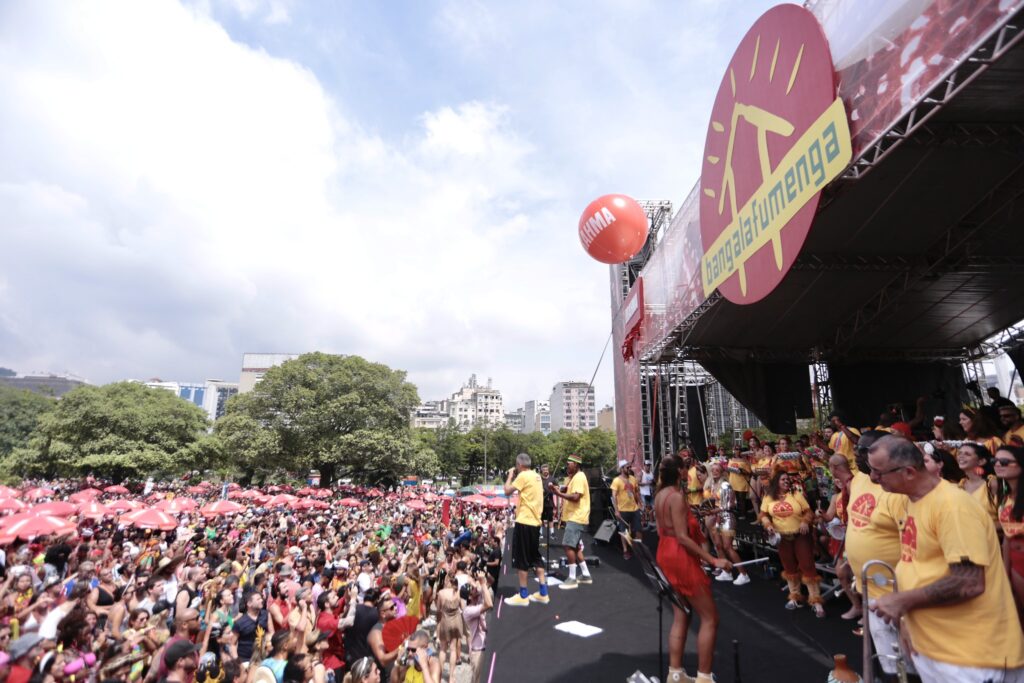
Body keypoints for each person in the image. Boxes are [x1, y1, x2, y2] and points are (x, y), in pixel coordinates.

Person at [868, 435, 1024, 681]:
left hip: (972, 658)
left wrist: (902, 602)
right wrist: (909, 622)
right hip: (938, 649)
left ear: (908, 472)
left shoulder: (953, 507)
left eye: (878, 472)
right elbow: (919, 564)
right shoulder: (912, 501)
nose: (872, 478)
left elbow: (969, 581)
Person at [654, 454, 730, 683]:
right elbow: (683, 537)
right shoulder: (676, 497)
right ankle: (704, 678)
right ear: (679, 471)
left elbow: (667, 529)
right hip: (679, 556)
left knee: (682, 614)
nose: (689, 472)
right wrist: (713, 560)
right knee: (710, 618)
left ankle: (675, 674)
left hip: (666, 552)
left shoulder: (660, 496)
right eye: (686, 468)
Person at [844, 430, 913, 677]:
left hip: (901, 594)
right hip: (871, 589)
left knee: (912, 661)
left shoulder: (898, 490)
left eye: (863, 450)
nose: (856, 453)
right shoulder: (861, 479)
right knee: (888, 660)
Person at [759, 470, 823, 616]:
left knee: (808, 565)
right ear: (776, 482)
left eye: (788, 479)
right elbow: (763, 514)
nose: (786, 481)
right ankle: (795, 596)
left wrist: (806, 522)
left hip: (800, 535)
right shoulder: (769, 497)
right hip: (782, 537)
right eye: (783, 479)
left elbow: (808, 511)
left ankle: (816, 600)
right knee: (789, 567)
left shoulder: (796, 494)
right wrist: (768, 525)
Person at [503, 452, 549, 606]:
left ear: (519, 465)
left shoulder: (523, 475)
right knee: (535, 556)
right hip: (535, 522)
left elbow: (507, 491)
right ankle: (543, 592)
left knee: (521, 558)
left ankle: (523, 595)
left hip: (525, 521)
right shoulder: (536, 476)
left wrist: (510, 475)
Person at [547, 454, 593, 589]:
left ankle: (572, 578)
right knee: (575, 547)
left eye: (569, 463)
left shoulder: (579, 477)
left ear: (576, 465)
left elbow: (575, 497)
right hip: (575, 517)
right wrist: (556, 489)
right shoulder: (573, 478)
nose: (567, 465)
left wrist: (558, 494)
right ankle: (585, 574)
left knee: (567, 545)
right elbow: (566, 489)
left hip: (576, 517)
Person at [996, 444, 1024, 629]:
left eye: (1004, 461)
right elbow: (1007, 538)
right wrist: (1005, 572)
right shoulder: (1005, 496)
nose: (998, 464)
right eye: (995, 461)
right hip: (1015, 561)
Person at [461, 572, 492, 683]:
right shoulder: (468, 611)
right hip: (478, 651)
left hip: (484, 647)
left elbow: (491, 581)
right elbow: (489, 604)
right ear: (469, 596)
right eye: (473, 589)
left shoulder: (477, 600)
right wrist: (482, 583)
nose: (475, 588)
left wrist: (482, 577)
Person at [610, 459, 642, 560]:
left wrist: (640, 504)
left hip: (634, 509)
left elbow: (636, 492)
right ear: (622, 469)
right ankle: (625, 550)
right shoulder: (616, 480)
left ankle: (639, 550)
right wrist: (616, 510)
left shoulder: (633, 478)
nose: (629, 469)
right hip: (623, 510)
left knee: (638, 529)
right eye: (627, 467)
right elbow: (614, 496)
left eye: (629, 467)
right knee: (624, 531)